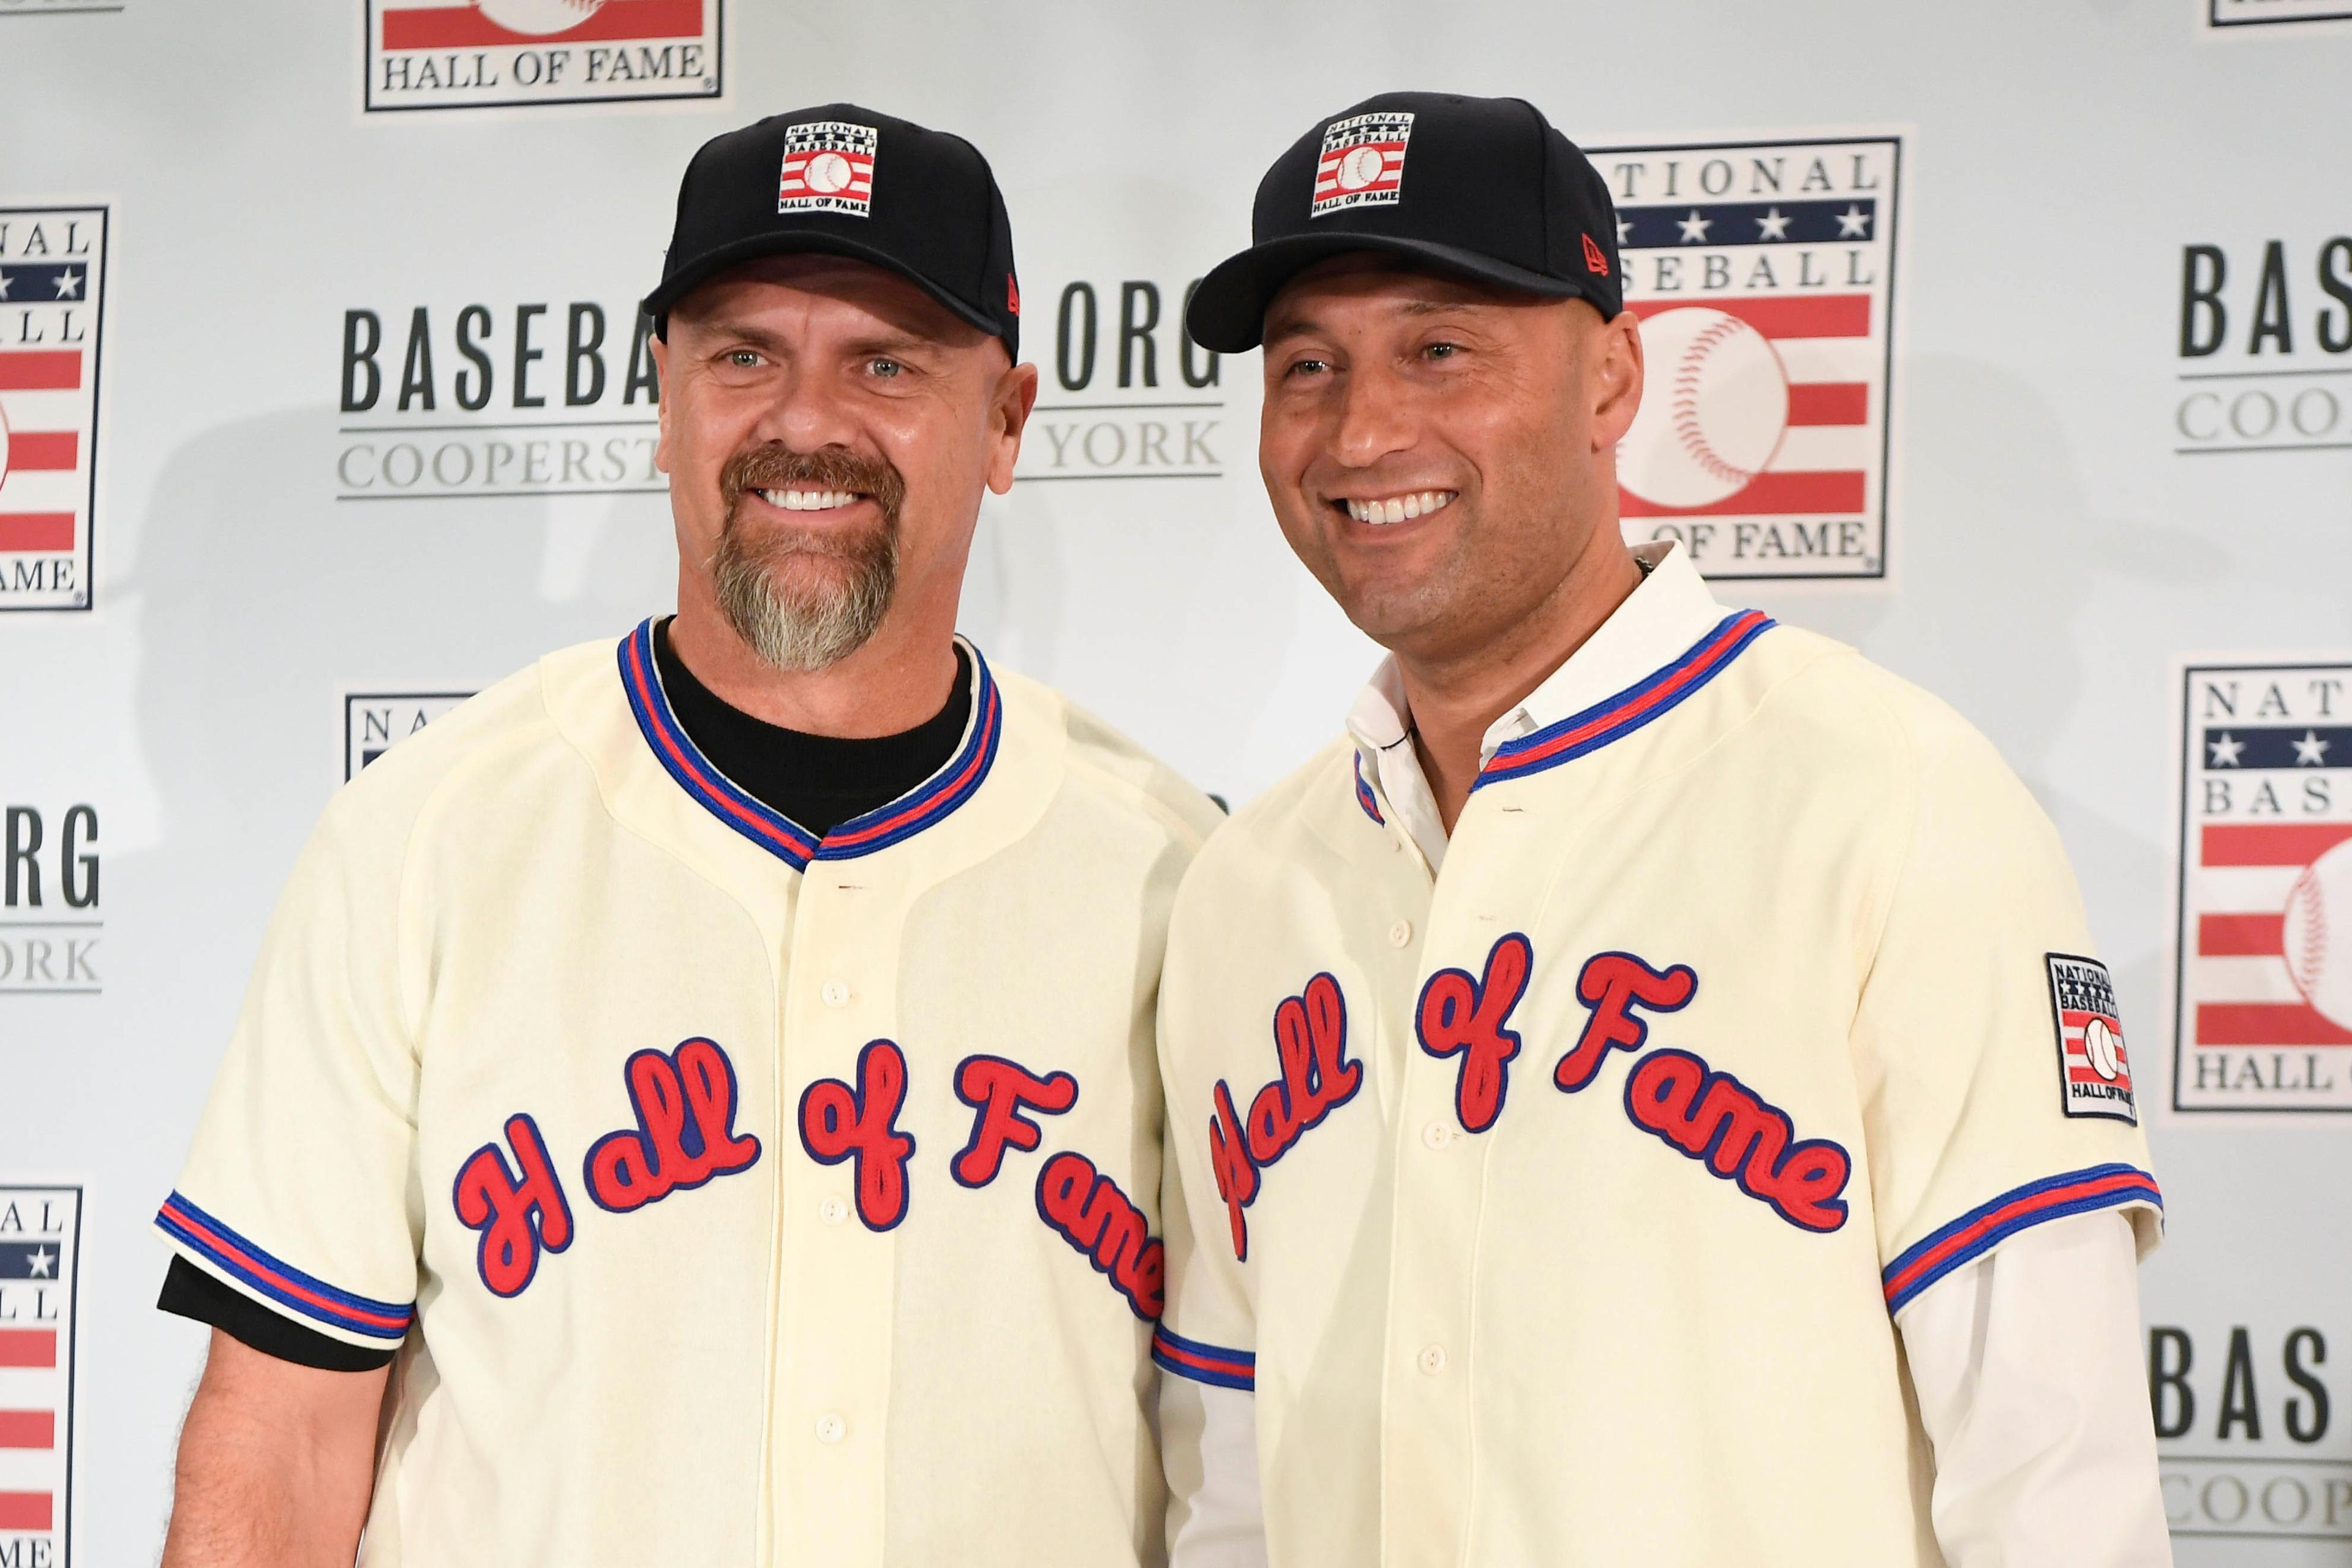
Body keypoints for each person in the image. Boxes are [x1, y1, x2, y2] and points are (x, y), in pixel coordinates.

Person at [154, 104, 1218, 1567]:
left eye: (886, 361)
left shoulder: (1175, 870)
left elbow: (1253, 1448)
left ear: (1009, 421)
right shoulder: (429, 834)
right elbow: (280, 1428)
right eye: (743, 355)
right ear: (665, 399)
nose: (804, 421)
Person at [1152, 91, 2169, 1568]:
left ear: (1613, 377)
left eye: (1441, 347)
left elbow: (2057, 1488)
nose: (1364, 428)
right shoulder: (1246, 882)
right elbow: (1233, 1480)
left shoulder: (1889, 796)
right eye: (1309, 365)